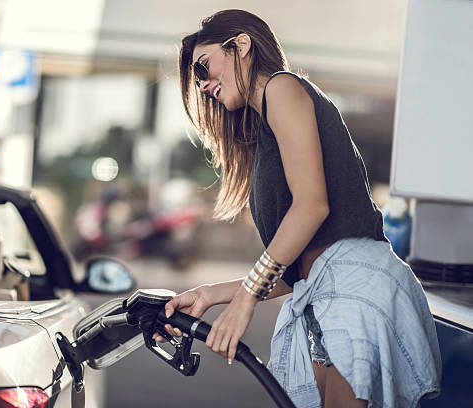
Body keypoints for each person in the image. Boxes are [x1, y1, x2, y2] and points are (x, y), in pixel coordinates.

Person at [153, 9, 441, 408]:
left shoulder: (282, 88)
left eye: (204, 67)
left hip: (354, 287)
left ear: (240, 44)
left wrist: (246, 299)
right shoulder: (266, 130)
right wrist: (210, 294)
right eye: (197, 80)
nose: (202, 85)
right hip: (323, 296)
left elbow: (311, 207)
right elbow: (300, 267)